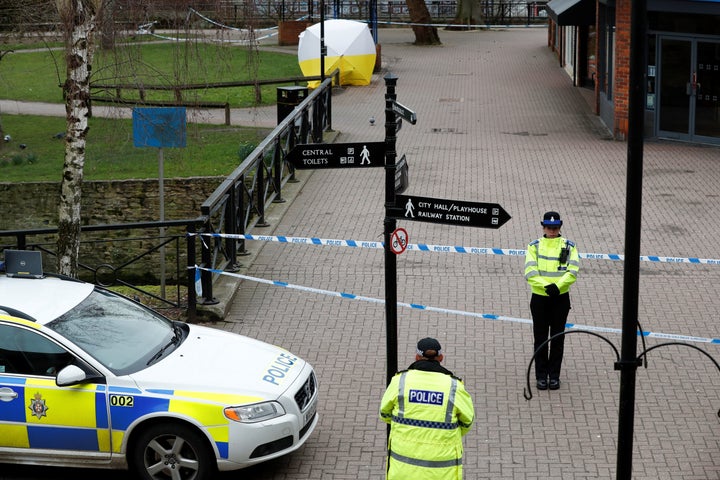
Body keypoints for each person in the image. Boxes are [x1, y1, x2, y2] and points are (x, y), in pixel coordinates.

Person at [380, 337, 474, 479]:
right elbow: (467, 422)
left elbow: (384, 414)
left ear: (417, 357)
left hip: (402, 470)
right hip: (442, 471)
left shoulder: (400, 381)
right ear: (441, 357)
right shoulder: (454, 386)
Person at [524, 211, 580, 391]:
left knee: (557, 338)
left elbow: (573, 270)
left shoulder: (569, 246)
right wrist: (548, 287)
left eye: (555, 228)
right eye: (549, 227)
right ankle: (541, 376)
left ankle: (554, 376)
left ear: (560, 227)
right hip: (540, 298)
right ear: (543, 227)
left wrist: (558, 286)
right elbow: (530, 273)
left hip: (560, 299)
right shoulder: (534, 246)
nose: (552, 230)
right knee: (540, 338)